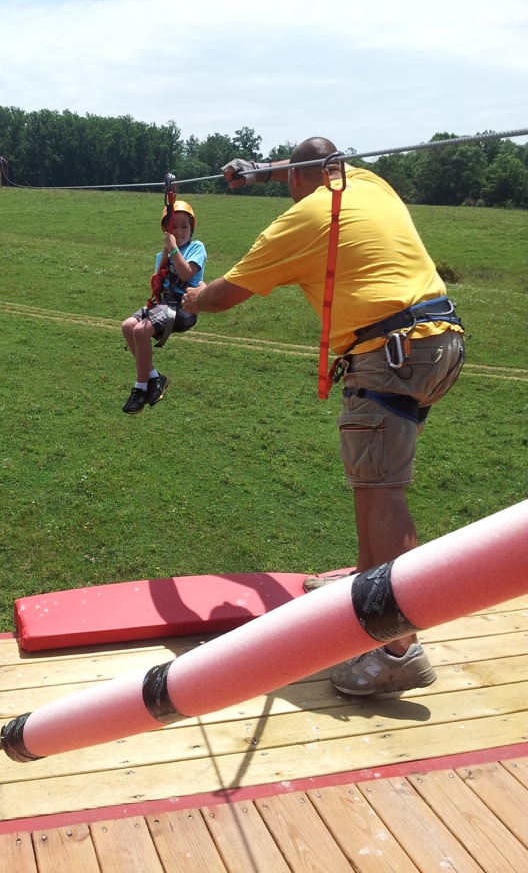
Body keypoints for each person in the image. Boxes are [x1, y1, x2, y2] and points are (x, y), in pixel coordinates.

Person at [182, 137, 465, 696]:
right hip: (438, 342)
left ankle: (400, 651)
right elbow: (309, 163)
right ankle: (371, 595)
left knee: (382, 490)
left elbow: (222, 295)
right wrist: (259, 174)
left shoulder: (304, 217)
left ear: (295, 179)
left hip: (389, 355)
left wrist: (190, 297)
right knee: (373, 481)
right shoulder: (366, 182)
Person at [121, 200, 207, 414]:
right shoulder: (162, 256)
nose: (179, 232)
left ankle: (140, 389)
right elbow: (160, 285)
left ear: (192, 228)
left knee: (141, 330)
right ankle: (155, 377)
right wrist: (166, 254)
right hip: (164, 305)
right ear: (165, 231)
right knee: (128, 326)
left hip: (184, 308)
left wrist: (174, 249)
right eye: (173, 227)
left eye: (184, 227)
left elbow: (187, 273)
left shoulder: (196, 248)